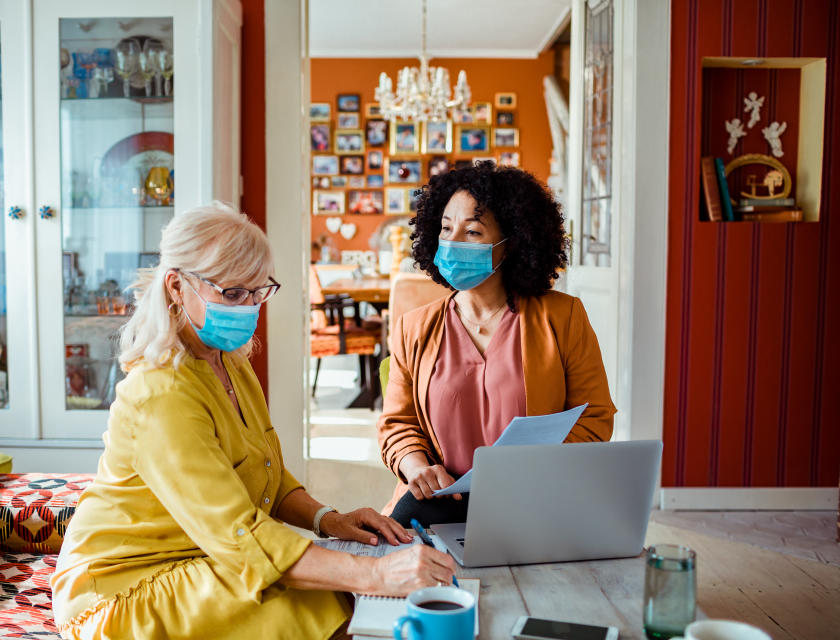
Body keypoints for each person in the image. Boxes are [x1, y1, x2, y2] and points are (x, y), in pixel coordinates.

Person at [52, 203, 455, 640]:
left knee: (339, 591)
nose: (249, 307)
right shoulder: (160, 395)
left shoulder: (229, 362)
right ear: (176, 286)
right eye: (232, 294)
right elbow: (239, 535)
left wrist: (328, 520)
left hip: (201, 555)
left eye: (258, 291)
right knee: (332, 597)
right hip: (122, 591)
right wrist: (376, 575)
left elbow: (266, 473)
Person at [378, 162, 615, 528]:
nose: (453, 240)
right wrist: (415, 466)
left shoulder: (564, 317)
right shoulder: (413, 328)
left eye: (472, 231)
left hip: (534, 497)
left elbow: (594, 418)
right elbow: (397, 425)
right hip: (439, 499)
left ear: (513, 242)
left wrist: (532, 472)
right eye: (445, 228)